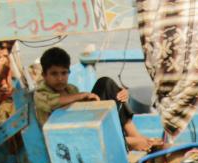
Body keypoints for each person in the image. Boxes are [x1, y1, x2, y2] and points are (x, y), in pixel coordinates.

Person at [33, 47, 163, 151]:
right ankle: (127, 142)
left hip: (83, 126)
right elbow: (52, 103)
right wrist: (83, 96)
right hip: (66, 139)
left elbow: (85, 107)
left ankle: (134, 135)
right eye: (54, 74)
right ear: (44, 75)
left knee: (105, 83)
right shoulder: (41, 93)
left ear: (69, 73)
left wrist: (120, 95)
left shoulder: (70, 89)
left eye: (63, 73)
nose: (60, 78)